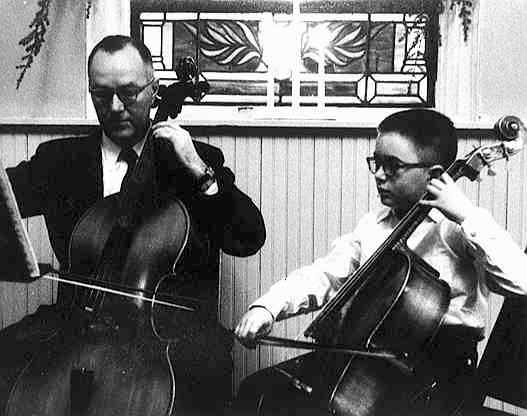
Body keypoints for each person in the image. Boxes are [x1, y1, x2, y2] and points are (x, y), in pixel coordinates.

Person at [0, 35, 265, 414]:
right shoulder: (59, 160)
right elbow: (3, 199)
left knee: (198, 383)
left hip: (171, 335)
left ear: (154, 90)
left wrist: (201, 174)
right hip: (74, 324)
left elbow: (248, 237)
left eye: (128, 92)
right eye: (101, 94)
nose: (115, 107)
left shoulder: (193, 160)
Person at [233, 109, 527, 416]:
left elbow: (521, 281)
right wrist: (268, 307)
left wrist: (466, 215)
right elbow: (326, 274)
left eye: (393, 166)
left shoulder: (459, 227)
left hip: (440, 375)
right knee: (259, 390)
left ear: (436, 174)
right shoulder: (375, 224)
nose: (379, 174)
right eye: (377, 163)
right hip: (373, 361)